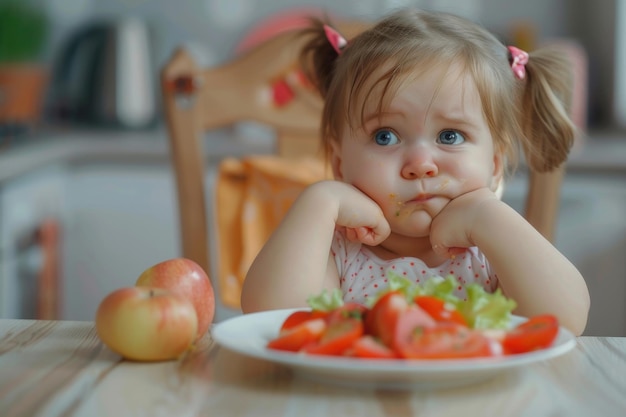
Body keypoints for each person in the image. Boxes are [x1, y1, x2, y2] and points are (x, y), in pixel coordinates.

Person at [240, 8, 590, 335]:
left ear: (494, 164)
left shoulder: (493, 248)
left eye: (450, 136)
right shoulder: (338, 251)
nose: (421, 164)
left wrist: (487, 216)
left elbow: (565, 322)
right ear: (340, 163)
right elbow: (275, 322)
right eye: (385, 136)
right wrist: (320, 201)